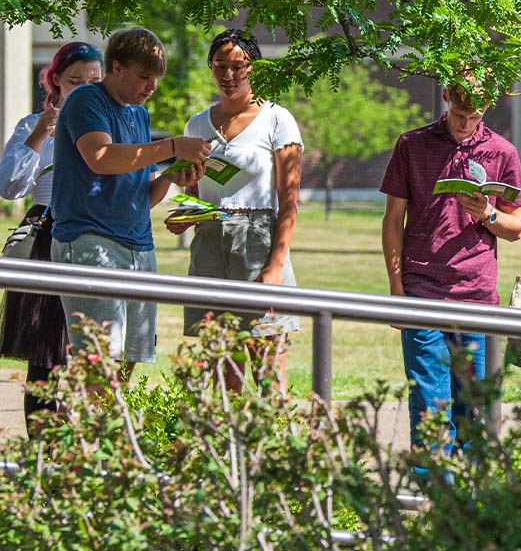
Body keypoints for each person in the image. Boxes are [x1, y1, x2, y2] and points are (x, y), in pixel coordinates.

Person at [51, 27, 210, 376]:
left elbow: (143, 196)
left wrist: (171, 176)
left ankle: (105, 428)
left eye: (156, 78)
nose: (151, 86)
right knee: (98, 363)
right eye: (144, 76)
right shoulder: (86, 99)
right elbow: (101, 158)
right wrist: (171, 146)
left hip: (140, 246)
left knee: (130, 359)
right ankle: (87, 429)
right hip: (91, 241)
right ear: (116, 67)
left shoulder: (140, 115)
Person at [380, 82, 521, 451]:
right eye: (460, 114)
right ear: (446, 96)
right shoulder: (412, 145)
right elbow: (393, 220)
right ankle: (434, 496)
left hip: (477, 296)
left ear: (488, 105)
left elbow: (516, 228)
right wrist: (397, 293)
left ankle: (472, 501)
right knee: (430, 409)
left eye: (474, 116)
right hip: (422, 292)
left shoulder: (502, 151)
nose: (465, 123)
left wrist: (488, 213)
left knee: (474, 411)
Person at [165, 30, 303, 391]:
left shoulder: (277, 119)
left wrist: (274, 266)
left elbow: (289, 202)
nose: (228, 75)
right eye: (220, 66)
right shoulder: (196, 125)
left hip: (259, 242)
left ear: (253, 68)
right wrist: (185, 215)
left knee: (267, 367)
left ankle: (277, 446)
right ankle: (228, 447)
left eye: (238, 67)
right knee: (223, 370)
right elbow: (193, 192)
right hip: (210, 244)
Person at [0, 42, 103, 427]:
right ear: (55, 80)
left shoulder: (108, 122)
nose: (84, 88)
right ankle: (43, 460)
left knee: (91, 350)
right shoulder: (33, 124)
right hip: (46, 234)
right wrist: (41, 132)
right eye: (75, 80)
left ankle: (82, 454)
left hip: (94, 234)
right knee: (44, 356)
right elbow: (9, 186)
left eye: (94, 80)